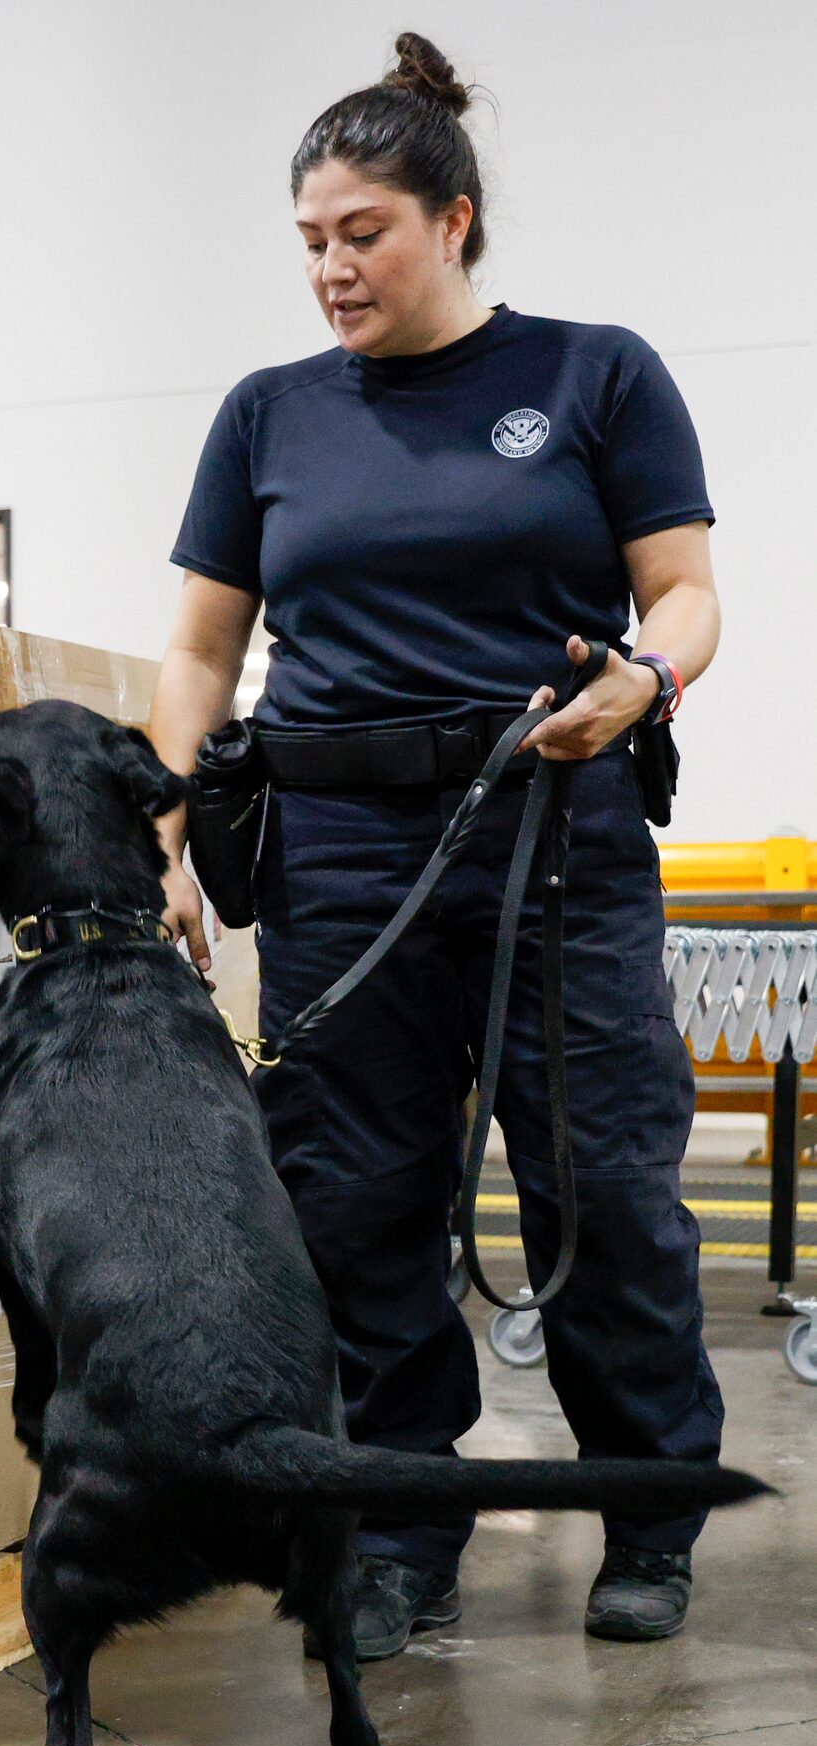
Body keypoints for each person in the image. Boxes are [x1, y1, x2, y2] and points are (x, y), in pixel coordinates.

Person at [148, 31, 723, 1657]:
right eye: (312, 241)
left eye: (365, 234)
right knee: (357, 1200)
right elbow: (199, 654)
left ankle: (650, 1518)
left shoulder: (594, 375)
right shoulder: (267, 416)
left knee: (601, 1186)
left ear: (454, 220)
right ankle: (398, 1526)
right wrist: (165, 828)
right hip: (338, 851)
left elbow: (686, 592)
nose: (333, 269)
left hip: (554, 827)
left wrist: (647, 677)